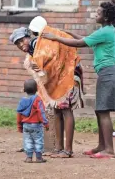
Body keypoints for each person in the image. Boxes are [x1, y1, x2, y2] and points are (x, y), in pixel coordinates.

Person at [42, 2, 115, 159]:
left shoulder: (105, 31)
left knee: (104, 112)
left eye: (98, 13)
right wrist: (68, 34)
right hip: (107, 73)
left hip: (109, 74)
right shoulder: (105, 31)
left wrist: (56, 38)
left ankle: (109, 150)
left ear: (106, 16)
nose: (95, 15)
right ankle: (102, 146)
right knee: (100, 111)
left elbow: (81, 43)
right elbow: (85, 40)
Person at [9, 18, 84, 159]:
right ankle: (58, 148)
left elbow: (49, 59)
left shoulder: (39, 45)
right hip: (59, 79)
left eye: (21, 40)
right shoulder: (32, 51)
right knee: (56, 110)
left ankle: (68, 150)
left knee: (66, 110)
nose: (20, 45)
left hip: (68, 76)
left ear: (29, 36)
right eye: (17, 44)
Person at [17, 79, 49, 163]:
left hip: (26, 125)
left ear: (24, 90)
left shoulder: (22, 101)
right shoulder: (38, 99)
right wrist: (45, 122)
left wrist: (19, 126)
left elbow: (19, 114)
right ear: (37, 89)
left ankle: (29, 157)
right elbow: (41, 112)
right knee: (38, 140)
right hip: (36, 125)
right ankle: (39, 158)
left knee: (27, 140)